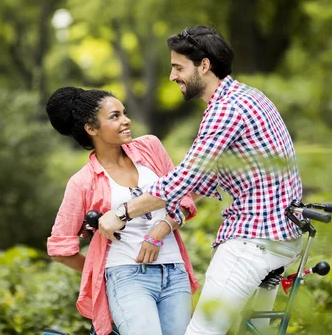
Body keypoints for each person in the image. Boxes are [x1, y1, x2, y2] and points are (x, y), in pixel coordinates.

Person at [98, 25, 303, 334]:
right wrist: (166, 222)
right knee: (256, 330)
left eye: (178, 67)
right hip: (284, 236)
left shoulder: (225, 109)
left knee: (204, 331)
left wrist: (121, 213)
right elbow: (201, 184)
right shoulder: (248, 96)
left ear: (204, 66)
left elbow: (183, 179)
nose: (172, 76)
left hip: (254, 237)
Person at [45, 86, 199, 335]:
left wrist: (159, 231)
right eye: (115, 116)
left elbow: (185, 199)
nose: (126, 121)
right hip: (126, 276)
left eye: (124, 113)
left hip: (174, 270)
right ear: (92, 129)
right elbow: (60, 249)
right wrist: (100, 271)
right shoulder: (82, 182)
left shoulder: (150, 148)